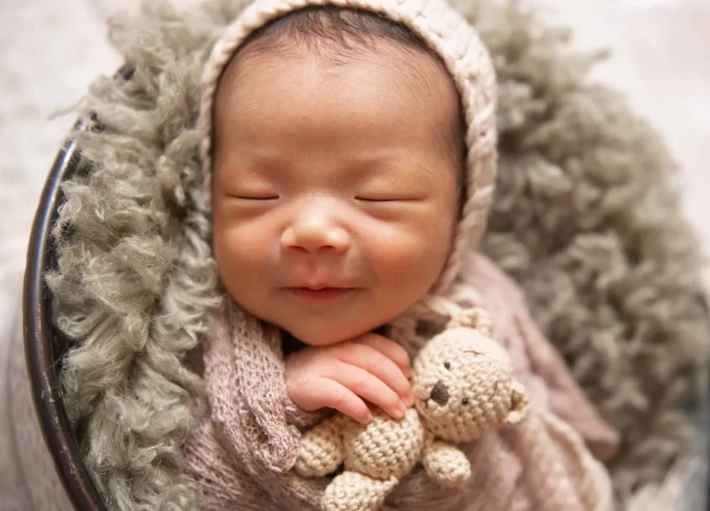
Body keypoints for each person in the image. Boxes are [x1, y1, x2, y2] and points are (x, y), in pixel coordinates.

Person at [182, 1, 620, 509]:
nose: (312, 230)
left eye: (378, 197)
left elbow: (547, 403)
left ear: (462, 212)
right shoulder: (200, 328)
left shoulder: (485, 307)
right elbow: (165, 463)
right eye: (256, 195)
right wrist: (279, 401)